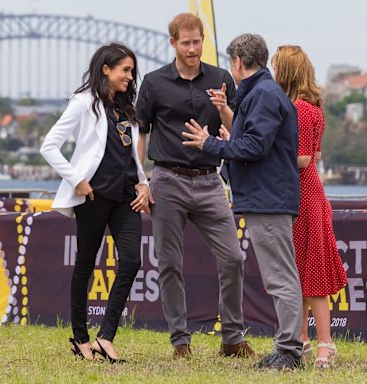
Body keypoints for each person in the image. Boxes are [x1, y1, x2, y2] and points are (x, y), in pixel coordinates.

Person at [182, 33, 304, 370]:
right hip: (266, 197)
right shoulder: (263, 93)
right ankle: (288, 346)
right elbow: (253, 141)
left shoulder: (262, 95)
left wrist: (211, 144)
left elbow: (255, 147)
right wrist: (229, 139)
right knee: (280, 276)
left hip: (268, 199)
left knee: (280, 277)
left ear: (237, 62)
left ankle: (290, 350)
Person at [136, 13, 254, 359]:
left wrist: (225, 110)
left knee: (233, 258)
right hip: (167, 180)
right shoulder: (154, 83)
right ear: (172, 43)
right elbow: (140, 133)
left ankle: (232, 339)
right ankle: (180, 342)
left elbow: (238, 129)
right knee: (170, 263)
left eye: (197, 41)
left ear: (203, 40)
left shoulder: (220, 79)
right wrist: (141, 180)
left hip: (209, 181)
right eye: (185, 42)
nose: (192, 48)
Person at [40, 43, 150, 363]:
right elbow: (50, 146)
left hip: (127, 196)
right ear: (106, 69)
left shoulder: (128, 109)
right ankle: (80, 338)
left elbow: (131, 154)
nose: (130, 76)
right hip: (93, 196)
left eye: (132, 71)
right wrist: (76, 179)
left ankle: (106, 337)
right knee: (86, 265)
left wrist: (144, 182)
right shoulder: (84, 103)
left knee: (131, 261)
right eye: (125, 70)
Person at [272, 45, 348, 368]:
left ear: (286, 71)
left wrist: (269, 156)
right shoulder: (314, 106)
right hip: (312, 193)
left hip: (302, 195)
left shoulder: (299, 109)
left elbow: (302, 158)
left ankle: (324, 344)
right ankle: (301, 339)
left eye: (277, 68)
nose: (273, 74)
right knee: (302, 272)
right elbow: (316, 157)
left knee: (311, 273)